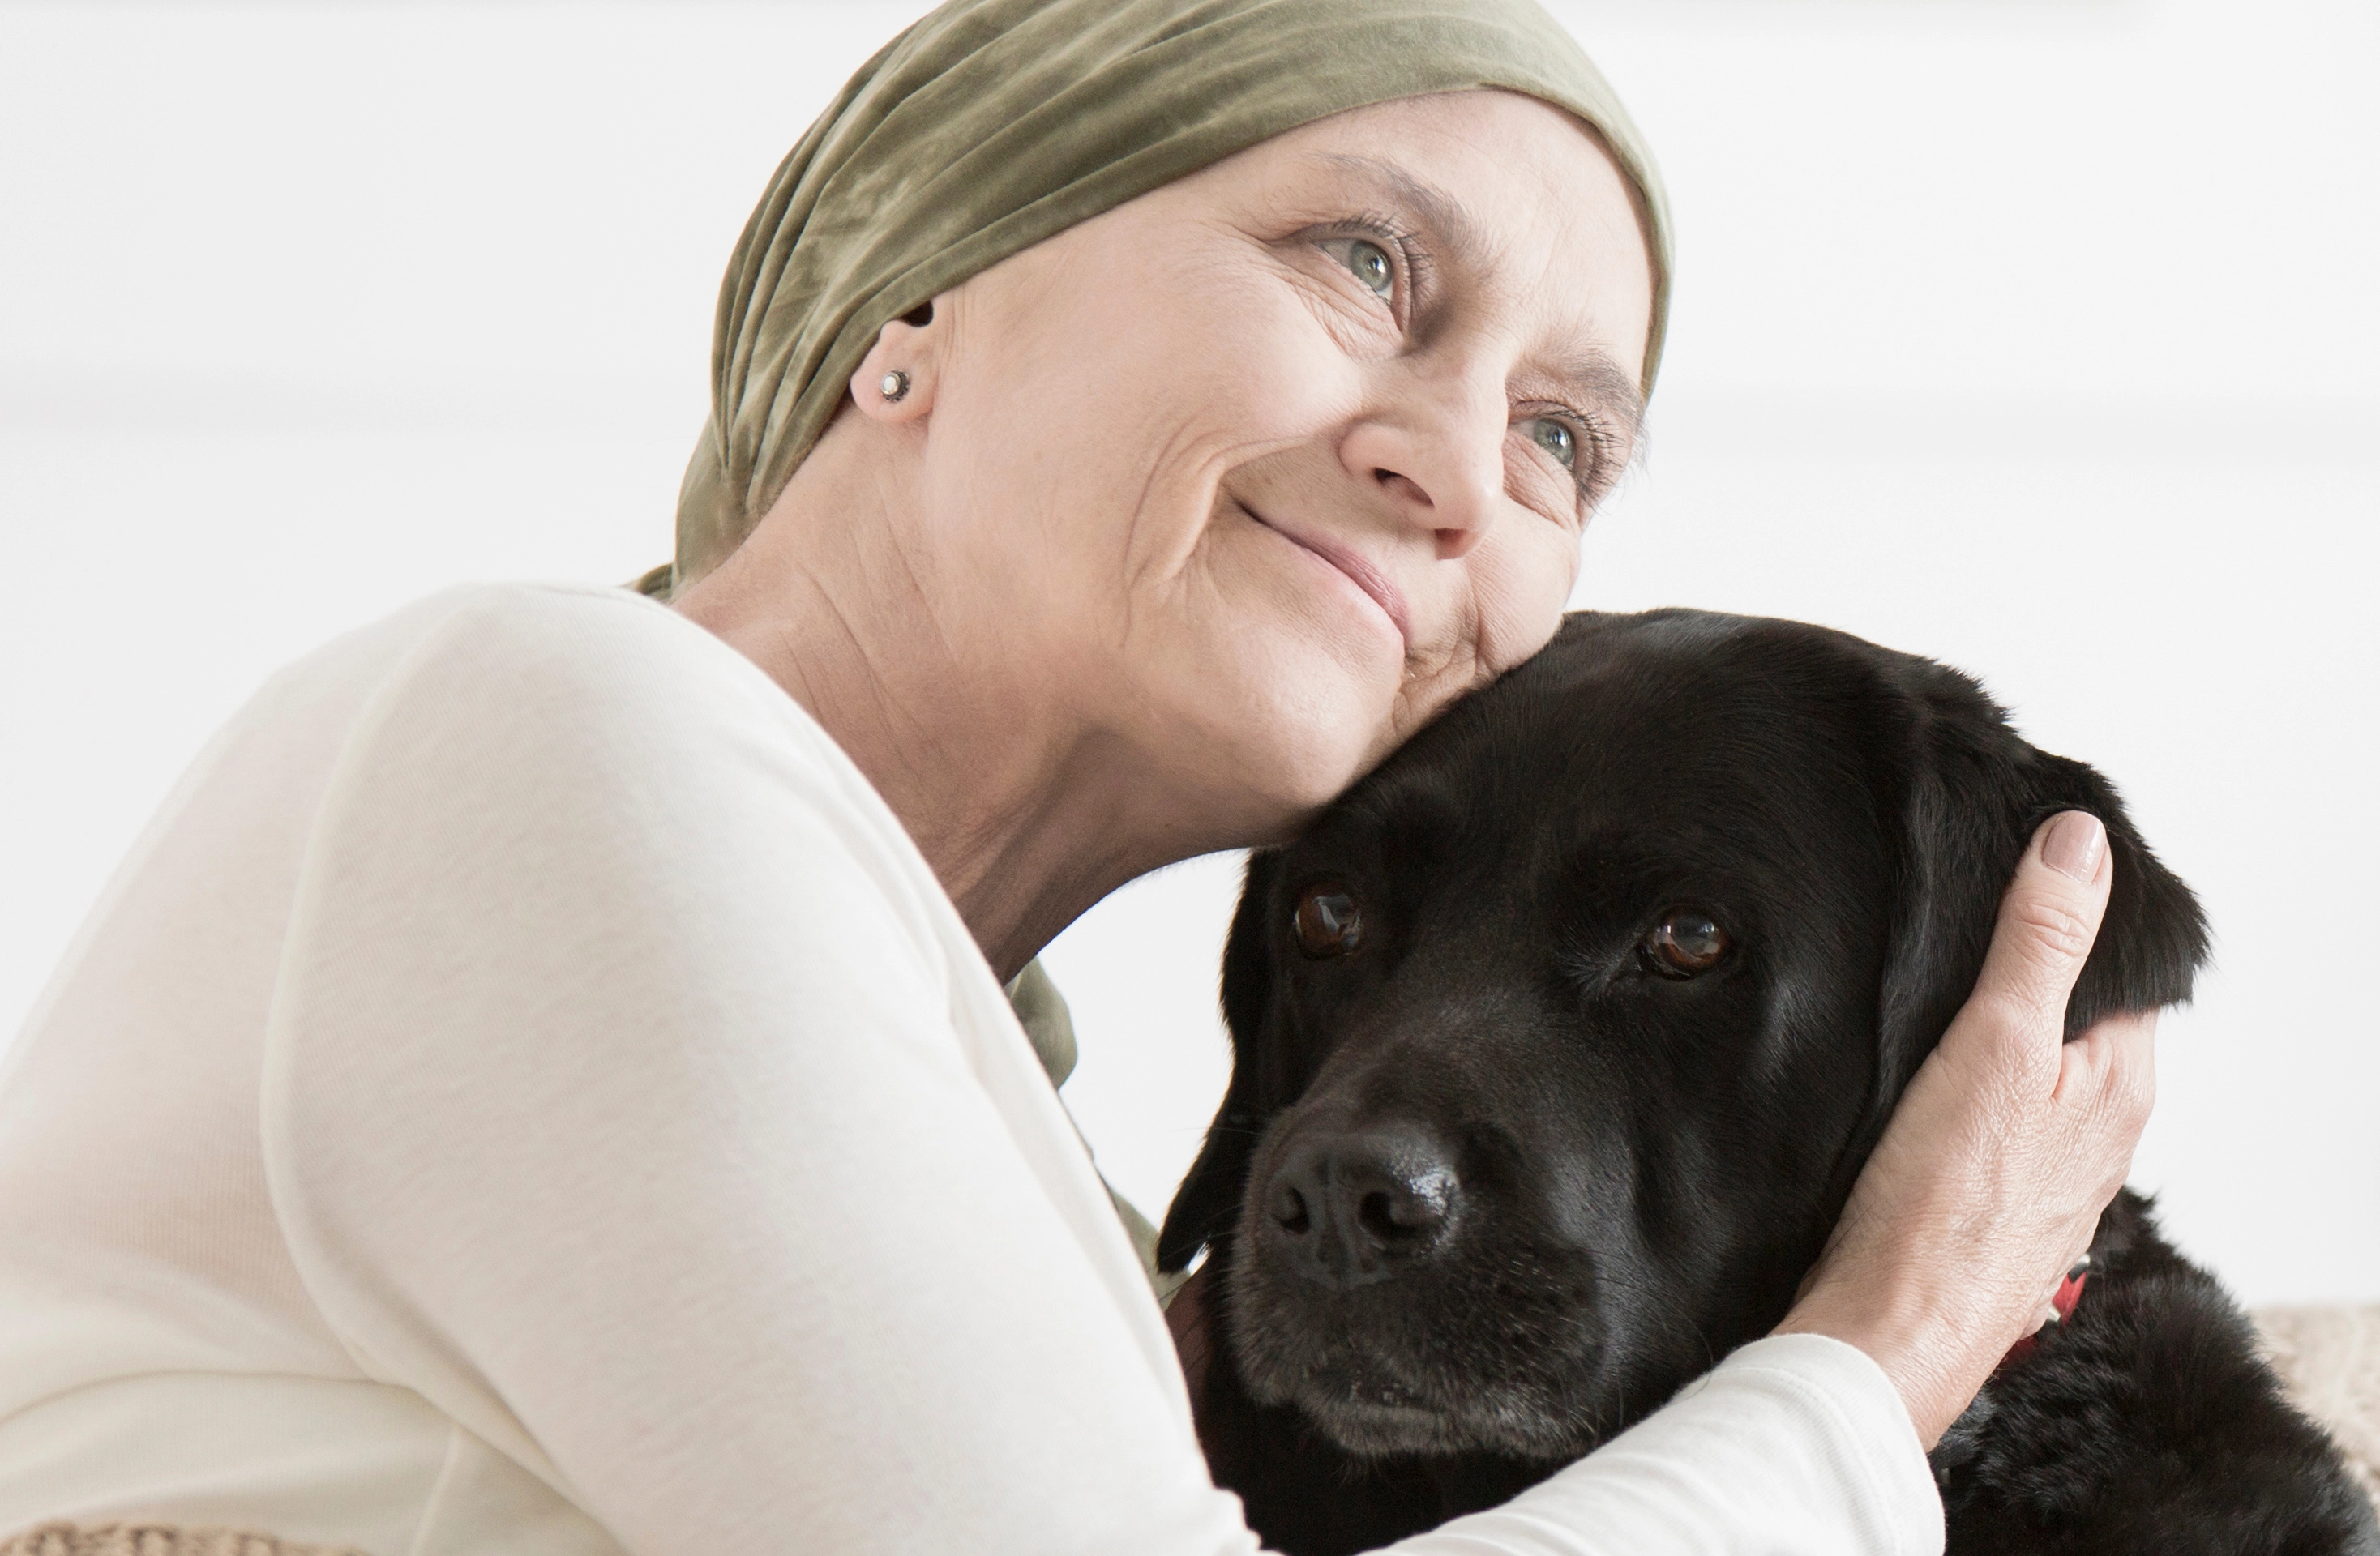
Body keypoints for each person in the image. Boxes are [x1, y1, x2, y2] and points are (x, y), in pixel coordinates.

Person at [0, 1, 2154, 1551]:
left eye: (1563, 439)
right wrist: (1880, 1366)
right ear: (923, 285)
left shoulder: (969, 1153)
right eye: (1366, 264)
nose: (1453, 462)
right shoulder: (560, 733)